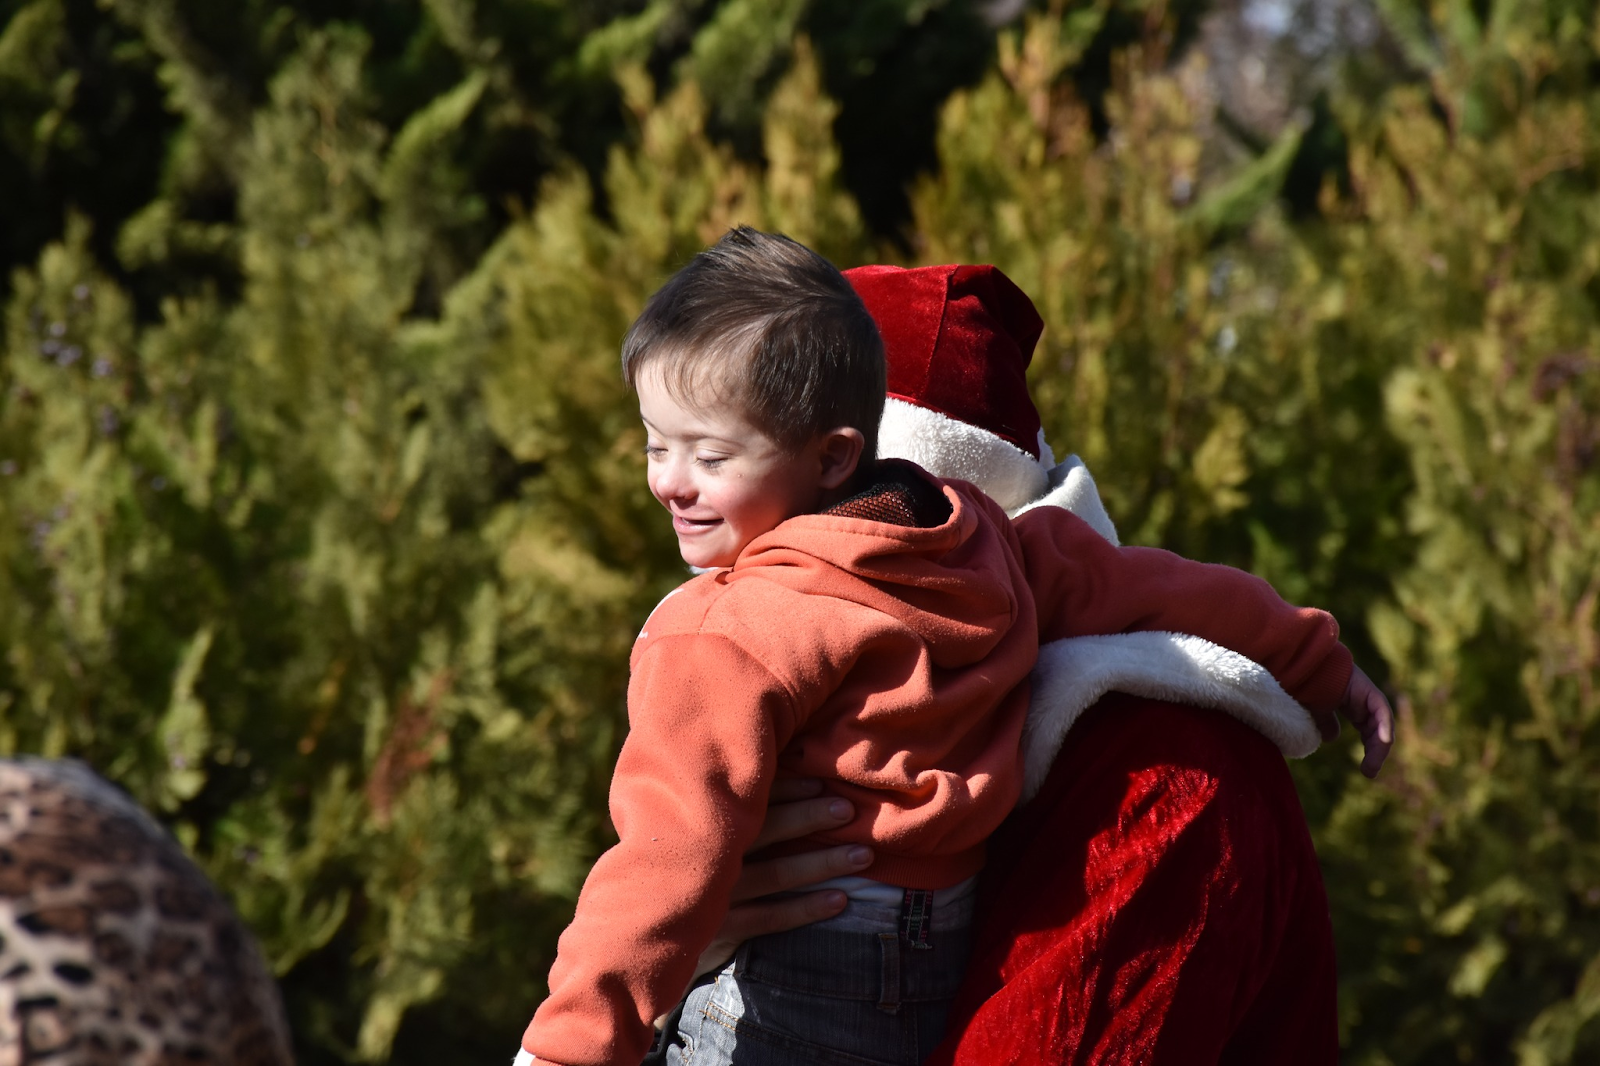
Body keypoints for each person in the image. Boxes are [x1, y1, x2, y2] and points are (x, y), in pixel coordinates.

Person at [515, 228, 1390, 1066]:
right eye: (654, 446)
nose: (668, 481)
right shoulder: (983, 546)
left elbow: (656, 867)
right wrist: (1317, 659)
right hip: (916, 973)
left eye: (709, 455)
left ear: (835, 459)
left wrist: (570, 1046)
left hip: (789, 988)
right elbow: (1164, 587)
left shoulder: (732, 626)